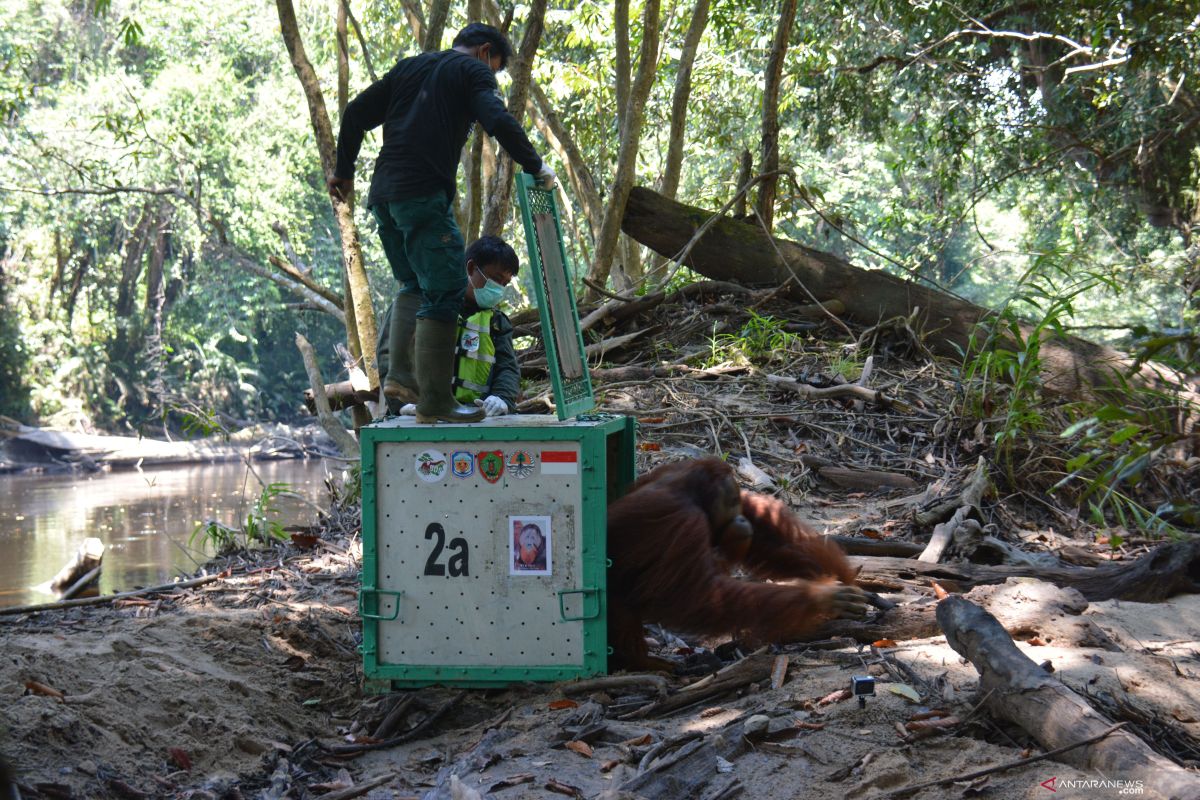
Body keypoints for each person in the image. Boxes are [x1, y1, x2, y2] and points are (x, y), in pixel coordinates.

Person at [328, 23, 556, 423]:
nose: (493, 76)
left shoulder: (410, 68)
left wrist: (343, 171)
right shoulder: (473, 71)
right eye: (497, 69)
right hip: (422, 195)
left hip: (384, 196)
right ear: (486, 53)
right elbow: (497, 120)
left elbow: (356, 113)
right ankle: (435, 400)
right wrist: (536, 164)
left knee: (415, 283)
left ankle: (400, 380)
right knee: (449, 285)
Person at [380, 236, 521, 417]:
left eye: (505, 284)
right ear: (471, 268)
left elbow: (508, 367)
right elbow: (387, 354)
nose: (499, 289)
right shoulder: (421, 303)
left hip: (476, 416)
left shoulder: (497, 322)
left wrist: (501, 398)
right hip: (418, 415)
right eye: (495, 279)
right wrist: (400, 405)